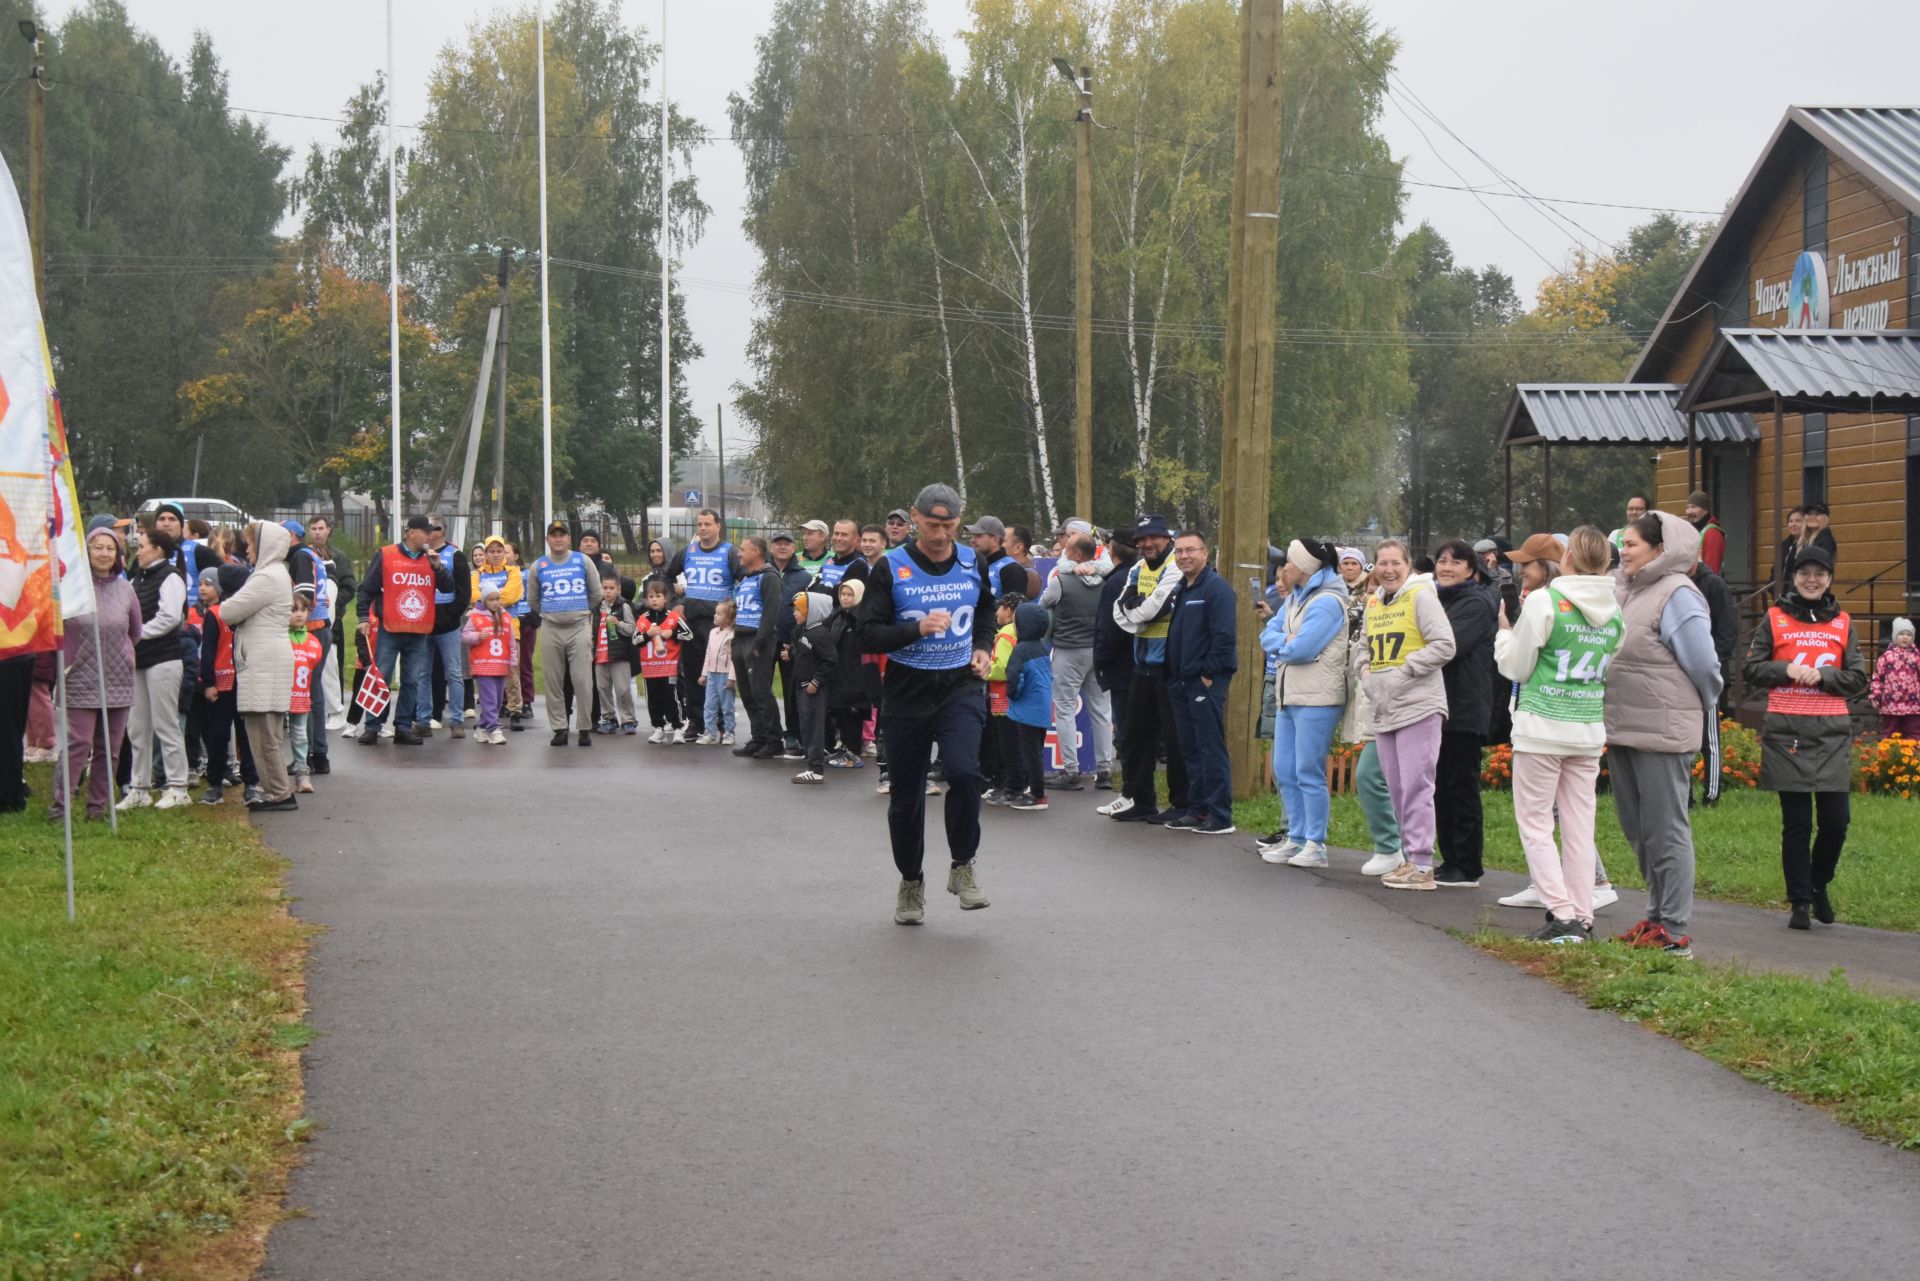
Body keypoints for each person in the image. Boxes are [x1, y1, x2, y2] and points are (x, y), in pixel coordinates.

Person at [858, 482, 995, 925]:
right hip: (907, 691)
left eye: (949, 526)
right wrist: (914, 631)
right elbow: (868, 633)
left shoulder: (974, 560)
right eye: (933, 525)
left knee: (963, 771)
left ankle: (962, 866)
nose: (940, 534)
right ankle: (911, 881)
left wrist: (983, 646)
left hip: (959, 685)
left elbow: (986, 611)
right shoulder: (890, 567)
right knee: (906, 798)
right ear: (914, 518)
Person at [1494, 527, 1621, 944]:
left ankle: (1562, 914)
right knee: (1580, 826)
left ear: (1567, 560)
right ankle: (1582, 916)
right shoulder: (1615, 611)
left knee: (1535, 824)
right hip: (1586, 728)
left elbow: (1516, 667)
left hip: (1542, 727)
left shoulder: (1548, 601)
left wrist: (1503, 635)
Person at [1608, 511, 1724, 957]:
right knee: (1638, 829)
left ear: (1661, 550)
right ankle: (1655, 916)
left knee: (1666, 829)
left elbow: (1705, 666)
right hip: (1624, 725)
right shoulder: (1630, 590)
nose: (1624, 550)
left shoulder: (1678, 594)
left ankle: (1674, 929)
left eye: (1633, 544)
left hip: (1662, 729)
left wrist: (1691, 706)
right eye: (1623, 542)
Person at [1743, 543, 1868, 930]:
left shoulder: (1844, 622)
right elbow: (1752, 670)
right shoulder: (1775, 618)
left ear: (1830, 579)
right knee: (1797, 823)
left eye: (1819, 574)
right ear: (1793, 578)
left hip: (1831, 732)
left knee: (1836, 821)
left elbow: (1858, 679)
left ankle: (1818, 884)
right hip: (1787, 732)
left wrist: (1825, 676)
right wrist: (1787, 669)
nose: (1811, 580)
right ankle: (1799, 901)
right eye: (1804, 573)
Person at [1357, 539, 1457, 891]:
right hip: (1385, 708)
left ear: (1408, 565)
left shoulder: (1421, 597)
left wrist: (1405, 672)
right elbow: (1363, 647)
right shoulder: (1373, 603)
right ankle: (1408, 856)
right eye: (1382, 563)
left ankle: (1422, 863)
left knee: (1417, 784)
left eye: (1395, 563)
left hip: (1419, 705)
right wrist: (1367, 676)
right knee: (1397, 787)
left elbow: (1445, 644)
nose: (1388, 569)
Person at [1258, 539, 1349, 866]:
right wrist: (1287, 640)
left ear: (1306, 568)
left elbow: (1303, 649)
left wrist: (1288, 642)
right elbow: (1267, 635)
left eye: (1290, 564)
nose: (1284, 569)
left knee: (1308, 769)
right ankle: (1295, 838)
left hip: (1318, 697)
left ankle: (1316, 843)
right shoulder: (1297, 597)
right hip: (1291, 693)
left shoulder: (1326, 602)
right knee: (1284, 768)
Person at [52, 528, 143, 822]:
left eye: (110, 548)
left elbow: (136, 632)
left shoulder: (126, 589)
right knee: (78, 744)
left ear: (118, 554)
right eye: (97, 548)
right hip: (80, 677)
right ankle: (60, 807)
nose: (104, 553)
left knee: (110, 749)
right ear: (86, 552)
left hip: (118, 680)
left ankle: (97, 808)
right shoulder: (72, 587)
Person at [1106, 514, 1188, 823]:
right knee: (1135, 737)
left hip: (1168, 664)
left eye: (1153, 537)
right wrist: (1139, 613)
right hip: (1141, 663)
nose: (1147, 544)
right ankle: (1141, 801)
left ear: (1167, 538)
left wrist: (1136, 611)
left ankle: (1181, 804)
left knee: (1174, 738)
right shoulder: (1138, 568)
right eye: (1142, 539)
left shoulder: (1174, 567)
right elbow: (1119, 612)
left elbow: (1154, 607)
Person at [1430, 539, 1499, 888]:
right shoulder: (1438, 600)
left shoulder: (1475, 603)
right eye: (1442, 561)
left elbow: (1448, 647)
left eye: (1455, 562)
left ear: (1471, 570)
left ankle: (1468, 864)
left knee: (1461, 786)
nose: (1446, 567)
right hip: (1439, 707)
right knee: (1441, 786)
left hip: (1465, 707)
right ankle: (1450, 859)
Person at [1161, 529, 1238, 835]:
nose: (1184, 556)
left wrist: (1208, 672)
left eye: (1190, 550)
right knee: (1189, 749)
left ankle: (1220, 816)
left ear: (1205, 553)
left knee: (1209, 748)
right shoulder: (1182, 588)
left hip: (1205, 681)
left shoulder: (1216, 589)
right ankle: (1198, 810)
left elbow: (1224, 636)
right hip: (1180, 681)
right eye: (1179, 551)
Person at [218, 522, 298, 811]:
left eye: (251, 544)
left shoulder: (266, 577)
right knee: (269, 733)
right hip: (269, 659)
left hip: (264, 661)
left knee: (264, 734)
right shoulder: (276, 574)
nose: (247, 549)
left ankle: (278, 793)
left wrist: (224, 602)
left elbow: (228, 611)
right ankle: (277, 790)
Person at [355, 515, 453, 746]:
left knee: (412, 681)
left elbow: (448, 587)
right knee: (382, 678)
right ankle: (372, 726)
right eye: (426, 532)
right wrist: (362, 617)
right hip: (390, 628)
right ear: (411, 533)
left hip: (419, 631)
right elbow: (366, 588)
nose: (431, 536)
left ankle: (403, 726)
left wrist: (438, 567)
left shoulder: (431, 559)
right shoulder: (386, 554)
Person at [1338, 559, 1403, 877]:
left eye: (1380, 585)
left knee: (1372, 776)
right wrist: (1363, 667)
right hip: (1376, 710)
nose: (1374, 591)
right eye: (1371, 587)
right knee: (1377, 776)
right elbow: (1361, 655)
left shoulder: (1408, 613)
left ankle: (1395, 847)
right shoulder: (1369, 618)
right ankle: (1394, 848)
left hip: (1407, 708)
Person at [120, 528, 192, 811]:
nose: (138, 551)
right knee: (137, 727)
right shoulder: (138, 577)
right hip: (139, 659)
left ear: (158, 550)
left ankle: (178, 787)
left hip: (164, 659)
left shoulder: (171, 576)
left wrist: (135, 634)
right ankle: (139, 786)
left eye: (143, 546)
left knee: (165, 724)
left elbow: (170, 617)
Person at [1040, 531, 1115, 790]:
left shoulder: (1061, 582)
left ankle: (1071, 770)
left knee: (1064, 709)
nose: (1062, 549)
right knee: (1102, 711)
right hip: (1098, 651)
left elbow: (1042, 607)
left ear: (1077, 555)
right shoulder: (1108, 582)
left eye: (1067, 548)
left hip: (1069, 651)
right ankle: (1105, 771)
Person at [527, 520, 603, 748]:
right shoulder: (538, 566)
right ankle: (559, 728)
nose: (558, 539)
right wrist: (551, 613)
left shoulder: (583, 560)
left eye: (562, 535)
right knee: (553, 681)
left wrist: (579, 612)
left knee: (582, 681)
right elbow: (533, 599)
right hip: (551, 628)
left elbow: (596, 593)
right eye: (553, 535)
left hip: (579, 627)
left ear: (569, 538)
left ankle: (584, 728)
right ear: (548, 539)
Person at [666, 509, 740, 740]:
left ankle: (720, 723)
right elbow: (667, 578)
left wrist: (732, 609)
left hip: (718, 625)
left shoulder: (729, 552)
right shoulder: (688, 551)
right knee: (693, 673)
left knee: (718, 674)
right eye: (699, 524)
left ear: (718, 526)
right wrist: (677, 602)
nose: (703, 528)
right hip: (691, 623)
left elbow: (744, 579)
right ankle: (696, 722)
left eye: (708, 523)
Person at [195, 563, 260, 805]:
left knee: (247, 735)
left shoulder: (251, 612)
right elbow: (208, 650)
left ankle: (252, 783)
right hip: (222, 683)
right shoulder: (215, 613)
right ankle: (215, 783)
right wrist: (208, 682)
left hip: (245, 680)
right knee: (218, 735)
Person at [729, 536, 786, 759]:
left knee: (761, 691)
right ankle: (758, 736)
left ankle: (774, 740)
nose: (739, 554)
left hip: (757, 640)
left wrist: (760, 642)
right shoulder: (746, 578)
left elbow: (771, 612)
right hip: (741, 639)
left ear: (756, 552)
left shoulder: (770, 578)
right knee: (747, 692)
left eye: (743, 550)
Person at [422, 519, 473, 737]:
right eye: (427, 528)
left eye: (434, 528)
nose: (430, 532)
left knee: (454, 672)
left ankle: (456, 720)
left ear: (442, 531)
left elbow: (464, 592)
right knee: (422, 673)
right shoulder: (417, 554)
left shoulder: (455, 555)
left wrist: (452, 615)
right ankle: (423, 718)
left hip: (448, 624)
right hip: (423, 622)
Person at [1003, 601, 1054, 811]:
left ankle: (1037, 794)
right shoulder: (1042, 646)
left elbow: (1015, 678)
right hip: (1041, 707)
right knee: (1036, 750)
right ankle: (1035, 788)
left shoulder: (1020, 650)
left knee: (1030, 752)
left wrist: (1010, 694)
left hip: (1026, 710)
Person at [307, 515, 355, 735]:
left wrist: (332, 604)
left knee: (331, 664)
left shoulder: (339, 557)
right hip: (305, 619)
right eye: (313, 528)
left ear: (329, 531)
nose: (317, 532)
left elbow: (348, 587)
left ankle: (335, 710)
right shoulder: (303, 555)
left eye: (321, 528)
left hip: (330, 619)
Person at [471, 537, 525, 725]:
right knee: (487, 671)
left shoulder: (513, 572)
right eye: (491, 551)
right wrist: (495, 596)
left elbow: (511, 596)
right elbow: (473, 595)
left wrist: (487, 596)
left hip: (509, 628)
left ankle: (515, 710)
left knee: (511, 669)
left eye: (499, 551)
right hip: (484, 629)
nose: (495, 554)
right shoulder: (477, 574)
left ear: (504, 553)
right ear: (485, 554)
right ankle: (490, 712)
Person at [1093, 531, 1137, 760]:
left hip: (1121, 664)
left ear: (1112, 550)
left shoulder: (1116, 582)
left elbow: (1109, 627)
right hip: (1140, 660)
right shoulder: (1140, 574)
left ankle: (1130, 788)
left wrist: (1100, 659)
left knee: (1126, 729)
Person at [789, 590, 839, 783]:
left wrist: (816, 681)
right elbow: (808, 656)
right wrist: (792, 654)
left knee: (814, 727)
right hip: (802, 686)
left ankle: (816, 769)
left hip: (812, 689)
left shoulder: (819, 633)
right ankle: (811, 763)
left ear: (811, 611)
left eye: (799, 610)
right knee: (807, 727)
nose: (795, 613)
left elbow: (831, 660)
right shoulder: (806, 631)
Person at [769, 532, 812, 756]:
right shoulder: (761, 570)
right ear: (771, 546)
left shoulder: (803, 576)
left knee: (792, 689)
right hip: (765, 639)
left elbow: (806, 609)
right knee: (762, 689)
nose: (782, 547)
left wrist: (796, 639)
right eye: (778, 543)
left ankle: (794, 734)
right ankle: (768, 733)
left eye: (787, 544)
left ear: (794, 547)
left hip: (790, 641)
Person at [635, 580, 691, 742]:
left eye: (658, 596)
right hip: (650, 667)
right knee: (653, 699)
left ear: (665, 599)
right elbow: (635, 640)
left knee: (671, 698)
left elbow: (689, 635)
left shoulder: (673, 617)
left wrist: (672, 634)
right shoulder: (643, 619)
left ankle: (677, 728)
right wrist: (648, 634)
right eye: (651, 596)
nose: (654, 600)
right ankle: (658, 727)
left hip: (669, 667)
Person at [462, 583, 516, 744]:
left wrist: (513, 662)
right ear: (484, 600)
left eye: (497, 599)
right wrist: (478, 636)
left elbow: (511, 641)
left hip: (500, 664)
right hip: (483, 665)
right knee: (489, 699)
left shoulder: (505, 617)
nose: (495, 602)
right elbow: (465, 637)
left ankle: (482, 726)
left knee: (498, 700)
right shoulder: (475, 617)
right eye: (491, 599)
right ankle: (494, 729)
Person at [983, 592, 1022, 805]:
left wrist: (982, 669)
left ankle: (1008, 785)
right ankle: (1008, 783)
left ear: (1008, 610)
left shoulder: (1005, 633)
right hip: (1013, 698)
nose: (997, 612)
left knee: (1005, 744)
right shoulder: (1019, 631)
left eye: (999, 608)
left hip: (1001, 697)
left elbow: (1003, 667)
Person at [828, 579, 871, 765]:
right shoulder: (837, 614)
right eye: (843, 594)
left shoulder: (861, 617)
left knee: (853, 712)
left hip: (856, 672)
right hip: (838, 671)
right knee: (840, 711)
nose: (845, 598)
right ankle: (845, 748)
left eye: (850, 595)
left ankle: (853, 751)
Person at [592, 572, 639, 735]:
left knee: (622, 689)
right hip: (600, 654)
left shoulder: (623, 606)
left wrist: (618, 624)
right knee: (602, 688)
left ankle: (628, 719)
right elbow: (592, 629)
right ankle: (608, 718)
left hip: (619, 654)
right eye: (605, 588)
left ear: (618, 590)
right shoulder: (597, 608)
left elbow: (632, 629)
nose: (608, 591)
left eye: (611, 588)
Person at [286, 588, 323, 793]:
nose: (299, 614)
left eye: (303, 609)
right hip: (279, 696)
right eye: (293, 610)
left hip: (301, 696)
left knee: (300, 734)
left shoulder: (314, 642)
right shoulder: (280, 638)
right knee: (274, 736)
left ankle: (302, 773)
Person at [696, 599, 739, 746]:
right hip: (712, 675)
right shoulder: (713, 632)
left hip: (725, 675)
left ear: (728, 618)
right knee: (709, 705)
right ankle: (710, 733)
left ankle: (729, 733)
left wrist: (732, 677)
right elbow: (708, 654)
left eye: (719, 614)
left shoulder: (732, 635)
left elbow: (733, 659)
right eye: (715, 613)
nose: (715, 616)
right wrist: (704, 674)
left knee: (727, 706)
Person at [1869, 617, 1920, 737]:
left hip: (1912, 703)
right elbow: (1878, 678)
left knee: (1913, 733)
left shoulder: (1916, 657)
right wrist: (1875, 696)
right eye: (1901, 634)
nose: (1905, 637)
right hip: (1891, 703)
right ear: (1894, 636)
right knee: (1889, 733)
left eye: (1908, 634)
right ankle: (1887, 754)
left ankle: (1913, 755)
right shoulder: (1886, 657)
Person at [811, 519, 869, 593]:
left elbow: (840, 596)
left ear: (856, 540)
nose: (838, 538)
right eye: (836, 533)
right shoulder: (829, 561)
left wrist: (820, 589)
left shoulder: (859, 564)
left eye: (844, 535)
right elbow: (811, 588)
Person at [1683, 490, 1726, 576]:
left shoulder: (1712, 533)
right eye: (1687, 507)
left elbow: (1711, 569)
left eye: (1693, 507)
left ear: (1705, 510)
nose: (1689, 512)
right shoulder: (1695, 531)